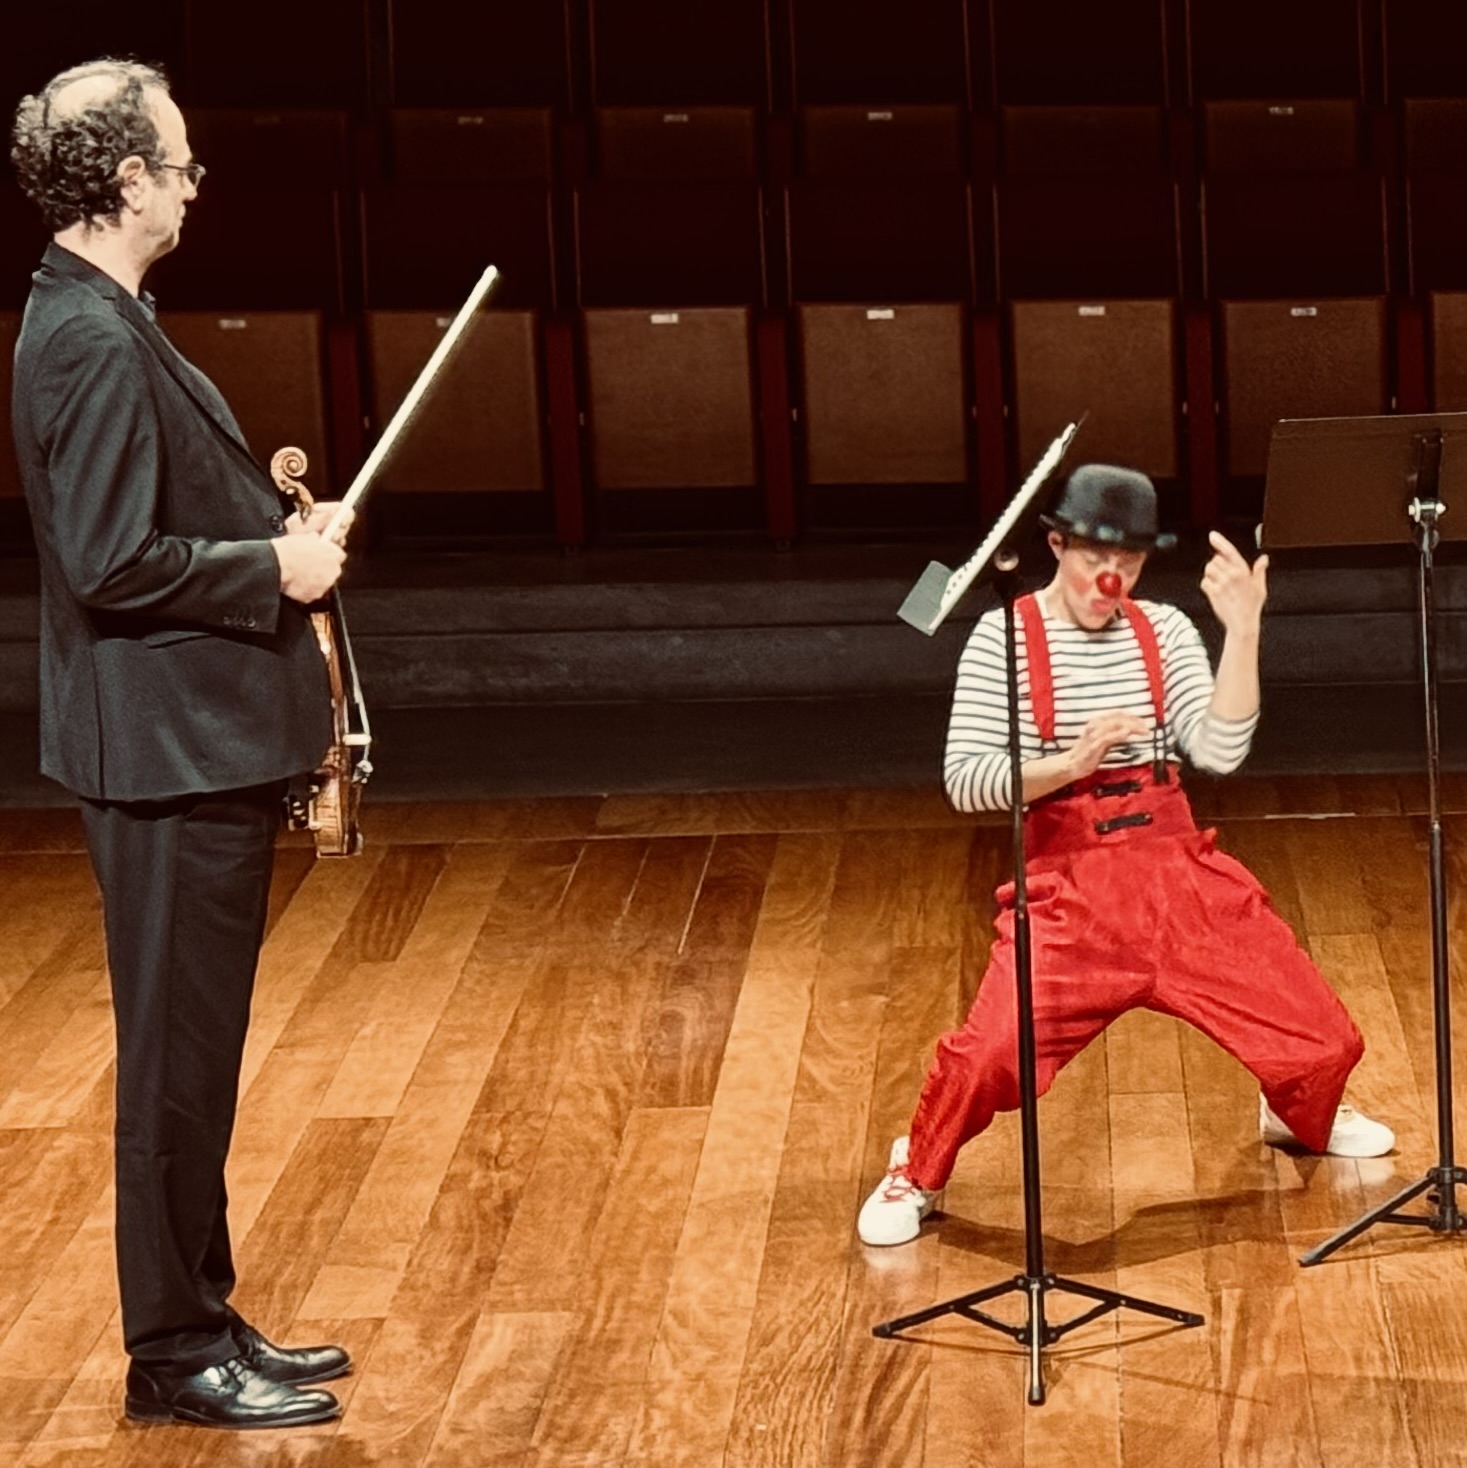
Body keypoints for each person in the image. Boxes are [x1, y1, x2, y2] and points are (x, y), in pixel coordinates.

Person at [10, 59, 354, 1426]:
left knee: (196, 1059)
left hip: (185, 745)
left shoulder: (97, 314)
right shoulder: (88, 336)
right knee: (174, 1070)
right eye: (182, 161)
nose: (197, 183)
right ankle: (171, 1349)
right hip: (165, 754)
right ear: (128, 178)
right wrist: (273, 569)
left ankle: (202, 1314)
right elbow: (109, 560)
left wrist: (276, 537)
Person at [858, 464, 1393, 1247]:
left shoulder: (1164, 629)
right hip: (1070, 894)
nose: (1109, 578)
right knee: (989, 1055)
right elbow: (966, 782)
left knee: (1325, 1043)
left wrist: (1243, 630)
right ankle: (917, 1169)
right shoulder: (1002, 638)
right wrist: (1068, 765)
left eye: (1129, 562)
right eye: (1092, 558)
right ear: (1055, 546)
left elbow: (1219, 748)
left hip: (1178, 879)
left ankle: (1293, 1115)